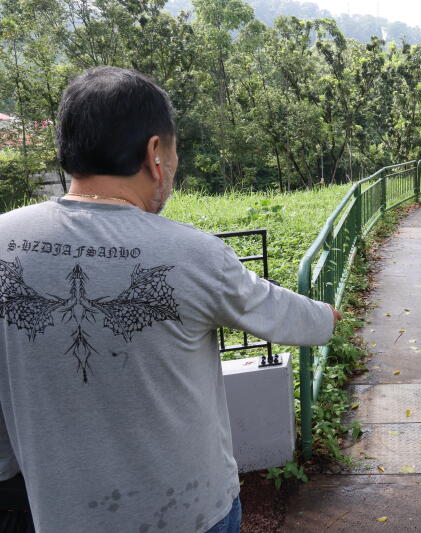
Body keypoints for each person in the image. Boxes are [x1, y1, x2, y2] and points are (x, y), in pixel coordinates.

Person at [0, 66, 341, 533]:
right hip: (191, 513)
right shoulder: (190, 253)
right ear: (155, 152)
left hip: (58, 515)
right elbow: (291, 319)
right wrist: (328, 315)